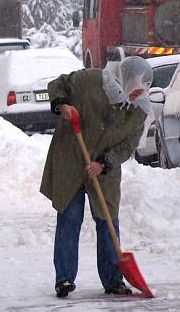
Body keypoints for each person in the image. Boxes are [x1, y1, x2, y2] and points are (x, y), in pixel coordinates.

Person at [40, 56, 154, 298]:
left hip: (104, 171)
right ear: (125, 78)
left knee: (108, 221)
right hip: (71, 159)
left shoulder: (138, 112)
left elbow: (128, 145)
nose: (135, 97)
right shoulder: (91, 80)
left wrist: (103, 163)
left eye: (141, 92)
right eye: (134, 91)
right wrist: (62, 105)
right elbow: (57, 84)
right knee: (69, 219)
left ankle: (113, 280)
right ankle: (64, 279)